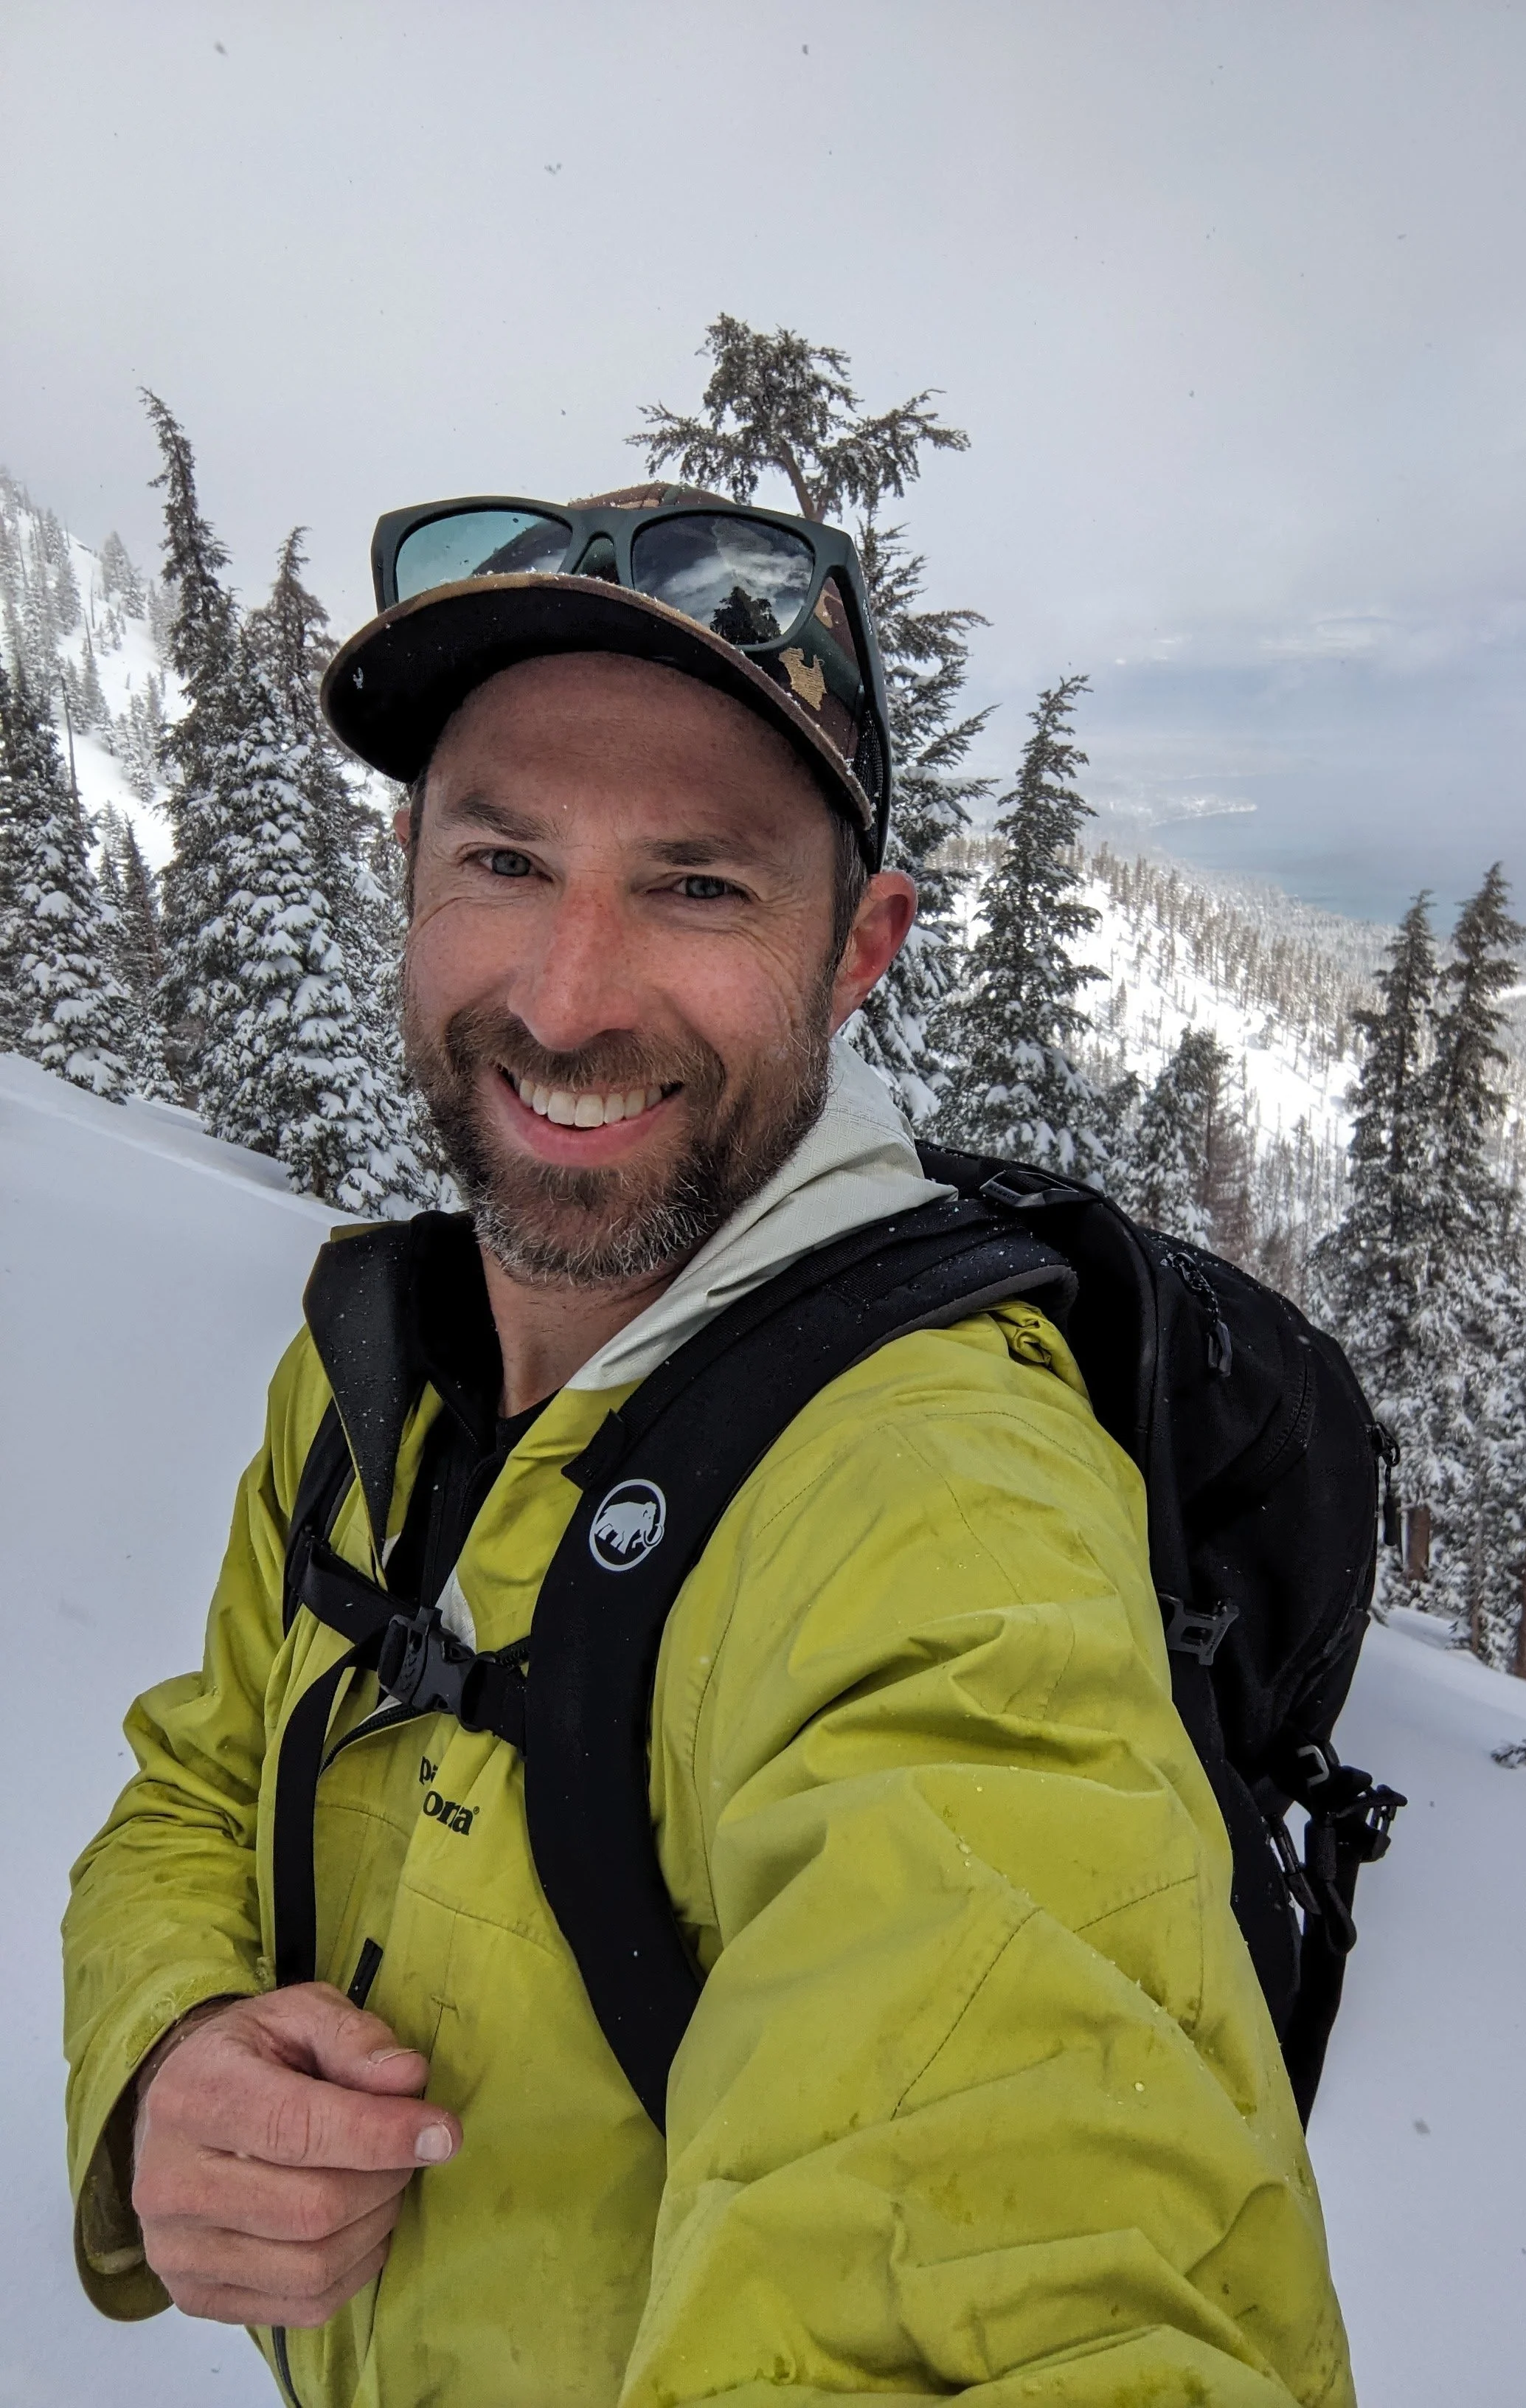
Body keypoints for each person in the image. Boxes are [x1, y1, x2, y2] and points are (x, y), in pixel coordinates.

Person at [63, 485, 1356, 2407]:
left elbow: (1032, 2236)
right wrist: (165, 2055)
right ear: (405, 866)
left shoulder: (931, 1491)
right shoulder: (373, 1372)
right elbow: (197, 1781)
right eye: (505, 857)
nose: (568, 997)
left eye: (697, 886)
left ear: (861, 951)